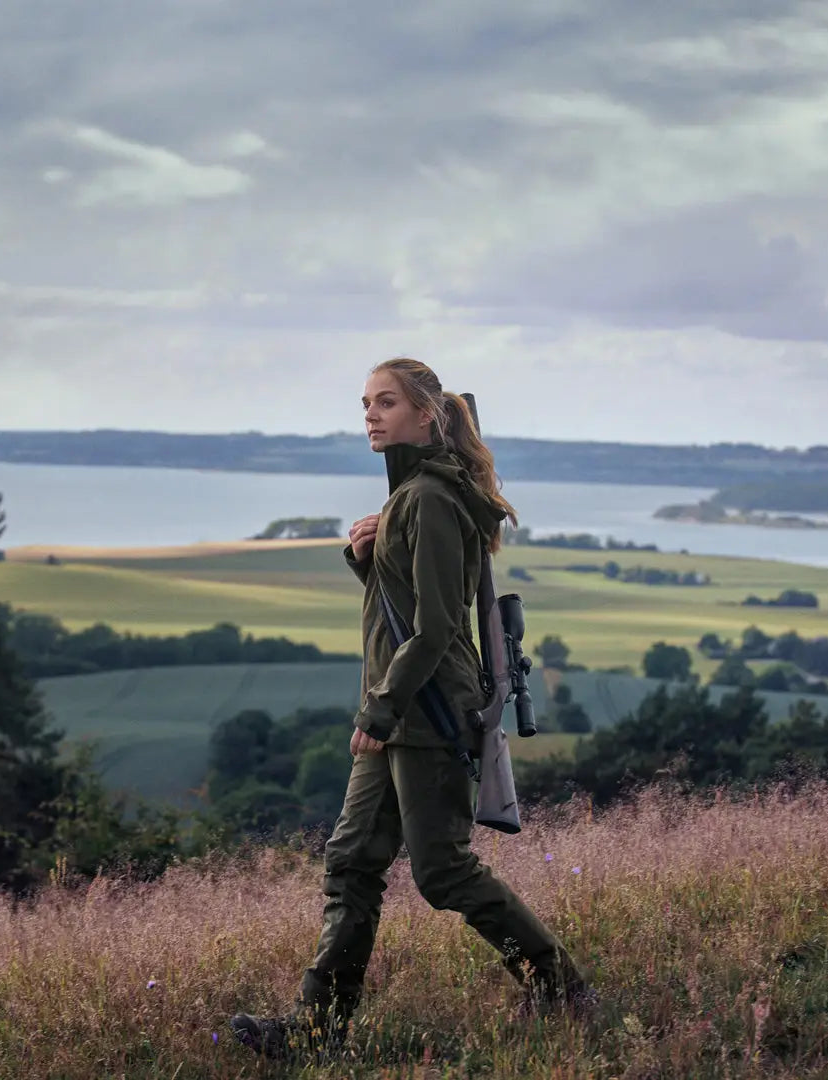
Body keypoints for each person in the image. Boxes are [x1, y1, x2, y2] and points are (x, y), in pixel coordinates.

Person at [231, 358, 592, 1061]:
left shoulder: (426, 496)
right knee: (352, 864)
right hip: (401, 708)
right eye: (365, 403)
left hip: (422, 710)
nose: (370, 414)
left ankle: (561, 989)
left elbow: (433, 630)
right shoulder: (412, 497)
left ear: (426, 414)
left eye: (386, 402)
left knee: (442, 871)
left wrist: (380, 711)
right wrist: (367, 561)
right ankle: (315, 1035)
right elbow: (404, 612)